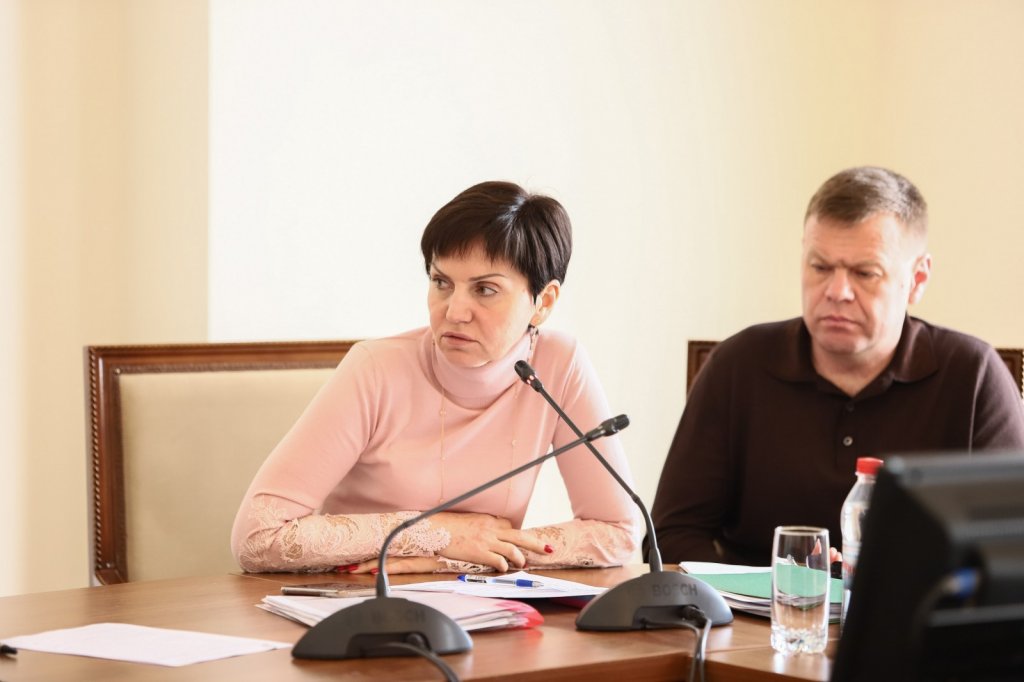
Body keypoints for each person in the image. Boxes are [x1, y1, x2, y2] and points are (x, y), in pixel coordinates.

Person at [232, 181, 641, 575]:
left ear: (543, 302)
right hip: (361, 597)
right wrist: (436, 534)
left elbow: (619, 532)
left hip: (482, 605)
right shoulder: (374, 368)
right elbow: (257, 537)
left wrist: (458, 556)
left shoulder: (558, 364)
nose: (454, 311)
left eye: (485, 290)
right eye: (441, 282)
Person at [651, 166, 1024, 566]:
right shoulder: (738, 365)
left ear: (917, 279)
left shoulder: (974, 376)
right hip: (756, 604)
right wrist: (780, 588)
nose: (837, 291)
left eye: (865, 273)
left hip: (915, 606)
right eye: (820, 267)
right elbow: (672, 535)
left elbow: (1011, 551)